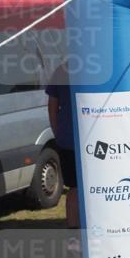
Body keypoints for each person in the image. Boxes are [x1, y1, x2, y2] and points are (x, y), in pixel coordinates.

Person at [45, 63, 78, 229]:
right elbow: (52, 107)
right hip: (87, 140)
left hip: (68, 139)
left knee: (74, 188)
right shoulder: (99, 67)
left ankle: (74, 232)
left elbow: (52, 108)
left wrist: (59, 133)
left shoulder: (61, 70)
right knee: (82, 187)